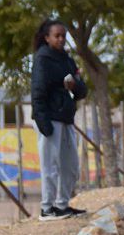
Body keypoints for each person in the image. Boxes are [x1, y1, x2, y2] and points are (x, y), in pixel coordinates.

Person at [31, 19, 88, 220]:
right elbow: (37, 91)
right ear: (47, 38)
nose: (61, 39)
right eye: (57, 35)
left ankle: (62, 205)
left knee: (70, 165)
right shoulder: (42, 59)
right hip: (49, 118)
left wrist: (74, 86)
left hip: (66, 118)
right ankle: (47, 208)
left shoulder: (67, 59)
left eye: (63, 35)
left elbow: (82, 90)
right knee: (50, 165)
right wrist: (42, 121)